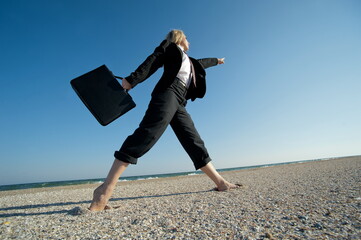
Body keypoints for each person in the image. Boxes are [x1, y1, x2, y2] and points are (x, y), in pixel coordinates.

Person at [89, 29, 240, 212]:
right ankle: (104, 190)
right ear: (180, 37)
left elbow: (203, 63)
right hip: (167, 92)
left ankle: (221, 182)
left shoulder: (189, 61)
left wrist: (217, 61)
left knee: (193, 140)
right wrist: (131, 80)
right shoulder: (170, 47)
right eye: (187, 38)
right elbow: (153, 60)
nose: (189, 41)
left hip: (180, 100)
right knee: (148, 134)